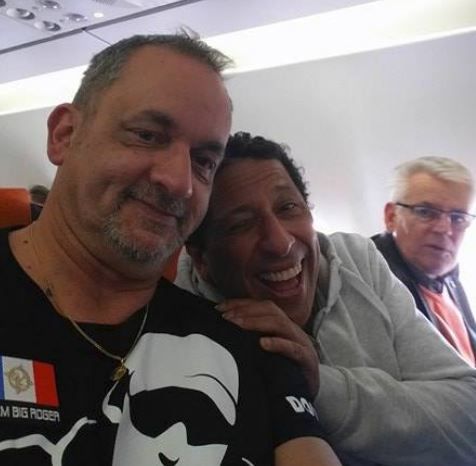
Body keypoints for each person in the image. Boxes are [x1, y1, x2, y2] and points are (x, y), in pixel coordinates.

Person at [0, 36, 341, 466]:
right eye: (147, 136)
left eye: (203, 162)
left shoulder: (253, 348)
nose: (180, 183)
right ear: (64, 135)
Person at [176, 132, 476, 466]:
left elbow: (468, 411)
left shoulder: (358, 261)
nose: (281, 243)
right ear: (201, 258)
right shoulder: (182, 338)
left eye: (288, 207)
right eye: (241, 224)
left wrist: (324, 387)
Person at [371, 157, 476, 366]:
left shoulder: (450, 278)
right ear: (391, 217)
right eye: (425, 212)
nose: (444, 229)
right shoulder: (370, 280)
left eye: (458, 217)